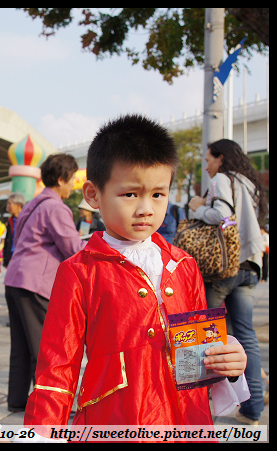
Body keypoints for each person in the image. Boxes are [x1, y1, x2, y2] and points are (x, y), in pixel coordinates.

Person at [23, 115, 248, 434]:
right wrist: (40, 436)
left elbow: (198, 357)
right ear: (93, 194)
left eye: (158, 194)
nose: (146, 208)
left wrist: (229, 362)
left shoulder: (184, 265)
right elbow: (57, 372)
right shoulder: (79, 271)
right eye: (130, 194)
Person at [188, 138, 267, 425]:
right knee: (246, 336)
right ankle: (252, 409)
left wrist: (196, 208)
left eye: (208, 159)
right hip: (250, 263)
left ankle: (199, 404)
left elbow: (224, 218)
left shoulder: (222, 178)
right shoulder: (249, 182)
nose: (206, 166)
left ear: (221, 158)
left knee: (203, 328)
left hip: (226, 265)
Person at [3, 153, 85, 413]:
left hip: (16, 278)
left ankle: (17, 400)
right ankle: (51, 404)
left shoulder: (33, 203)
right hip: (35, 282)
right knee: (44, 347)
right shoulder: (56, 207)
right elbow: (72, 248)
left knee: (21, 346)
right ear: (61, 179)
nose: (73, 185)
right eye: (71, 180)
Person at [2, 192, 25, 268]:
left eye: (9, 204)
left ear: (18, 205)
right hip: (11, 259)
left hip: (23, 260)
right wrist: (5, 260)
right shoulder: (10, 220)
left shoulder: (28, 220)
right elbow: (7, 240)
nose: (7, 206)